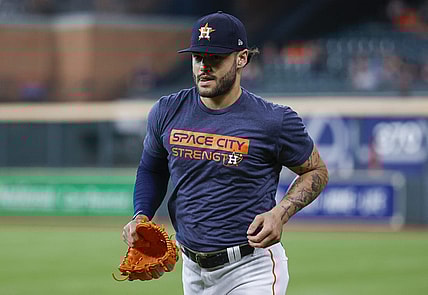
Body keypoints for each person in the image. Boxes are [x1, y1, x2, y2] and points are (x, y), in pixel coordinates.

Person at [122, 11, 329, 295]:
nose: (204, 66)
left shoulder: (272, 120)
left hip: (250, 268)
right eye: (198, 58)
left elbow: (316, 170)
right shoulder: (167, 110)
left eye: (215, 58)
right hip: (192, 270)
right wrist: (141, 215)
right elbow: (152, 168)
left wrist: (280, 213)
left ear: (241, 58)